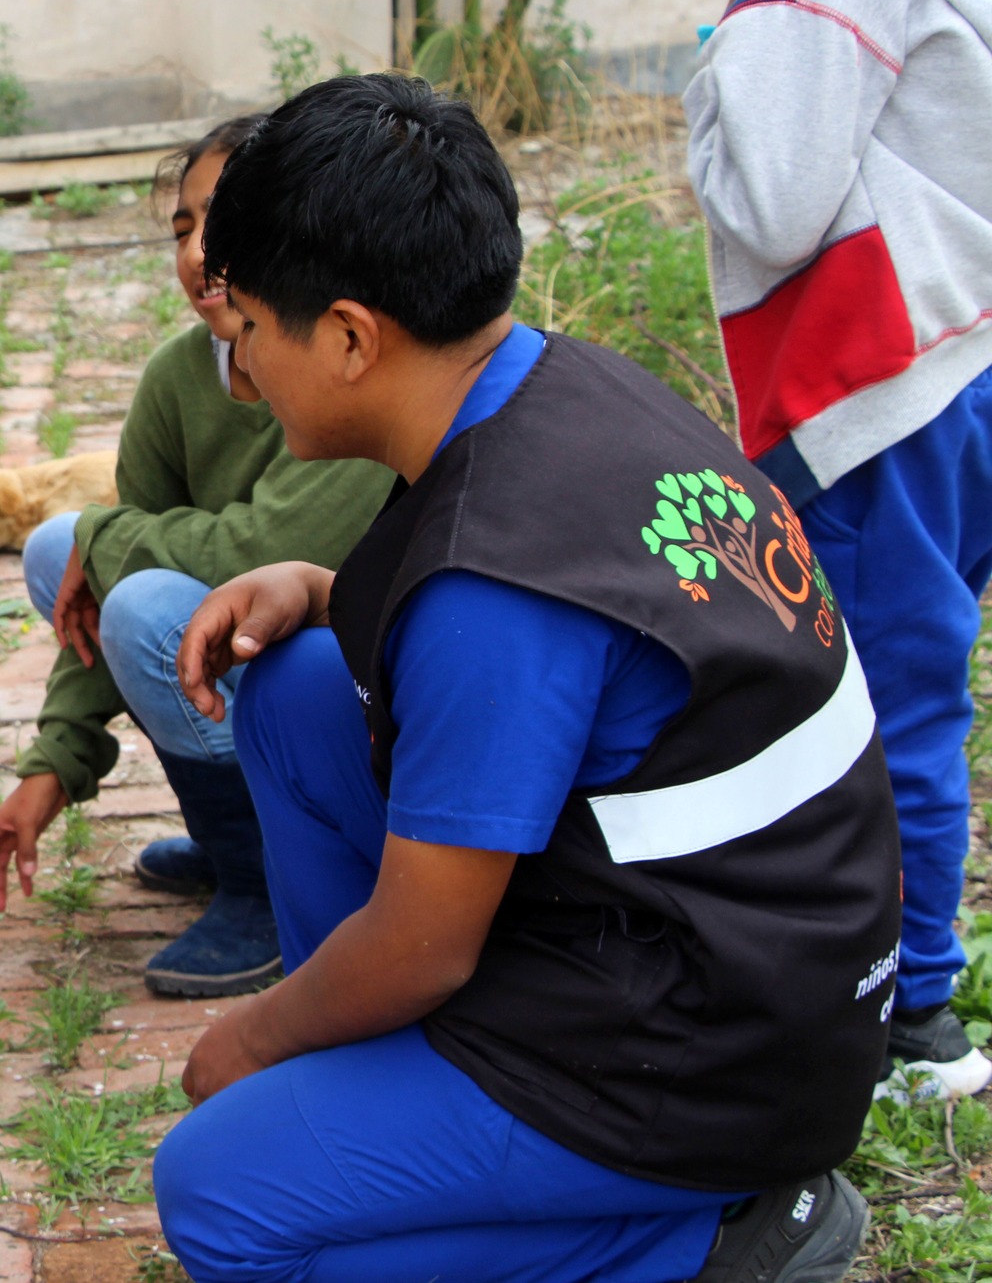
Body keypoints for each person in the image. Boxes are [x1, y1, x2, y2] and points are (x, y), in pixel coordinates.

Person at [151, 75, 899, 1283]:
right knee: (290, 685)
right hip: (760, 949)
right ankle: (392, 1097)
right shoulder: (558, 386)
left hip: (706, 1052)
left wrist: (248, 1042)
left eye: (245, 332)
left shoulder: (492, 591)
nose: (238, 368)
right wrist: (318, 582)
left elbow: (421, 945)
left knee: (218, 1191)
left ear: (346, 337)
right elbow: (591, 651)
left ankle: (703, 1233)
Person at [0, 116, 392, 997]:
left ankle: (272, 880)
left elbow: (267, 549)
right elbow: (103, 573)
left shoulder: (340, 358)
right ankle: (229, 824)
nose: (201, 252)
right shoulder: (179, 375)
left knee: (140, 598)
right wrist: (54, 767)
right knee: (58, 552)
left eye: (225, 221)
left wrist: (106, 533)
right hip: (239, 649)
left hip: (354, 680)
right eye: (183, 227)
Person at [685, 0, 992, 1101]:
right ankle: (908, 996)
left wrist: (708, 70)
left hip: (874, 389)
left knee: (880, 704)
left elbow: (766, 202)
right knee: (916, 686)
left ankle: (910, 1023)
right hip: (960, 364)